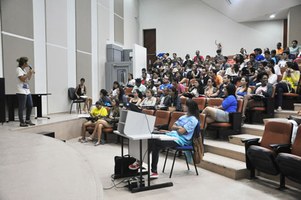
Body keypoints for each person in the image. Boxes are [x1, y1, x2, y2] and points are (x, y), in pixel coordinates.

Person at [129, 99, 200, 178]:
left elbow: (181, 132)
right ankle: (144, 164)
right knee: (151, 138)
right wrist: (180, 128)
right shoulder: (183, 116)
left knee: (155, 143)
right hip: (171, 135)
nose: (183, 106)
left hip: (180, 140)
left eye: (185, 105)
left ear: (190, 107)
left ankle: (149, 168)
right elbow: (172, 127)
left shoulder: (193, 120)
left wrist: (179, 128)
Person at [16, 57, 35, 127]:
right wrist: (28, 73)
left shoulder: (23, 70)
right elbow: (22, 79)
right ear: (24, 63)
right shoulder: (18, 69)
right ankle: (22, 122)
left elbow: (28, 79)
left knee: (30, 105)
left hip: (27, 90)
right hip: (21, 91)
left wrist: (31, 73)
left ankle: (27, 120)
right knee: (22, 107)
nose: (28, 64)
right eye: (27, 62)